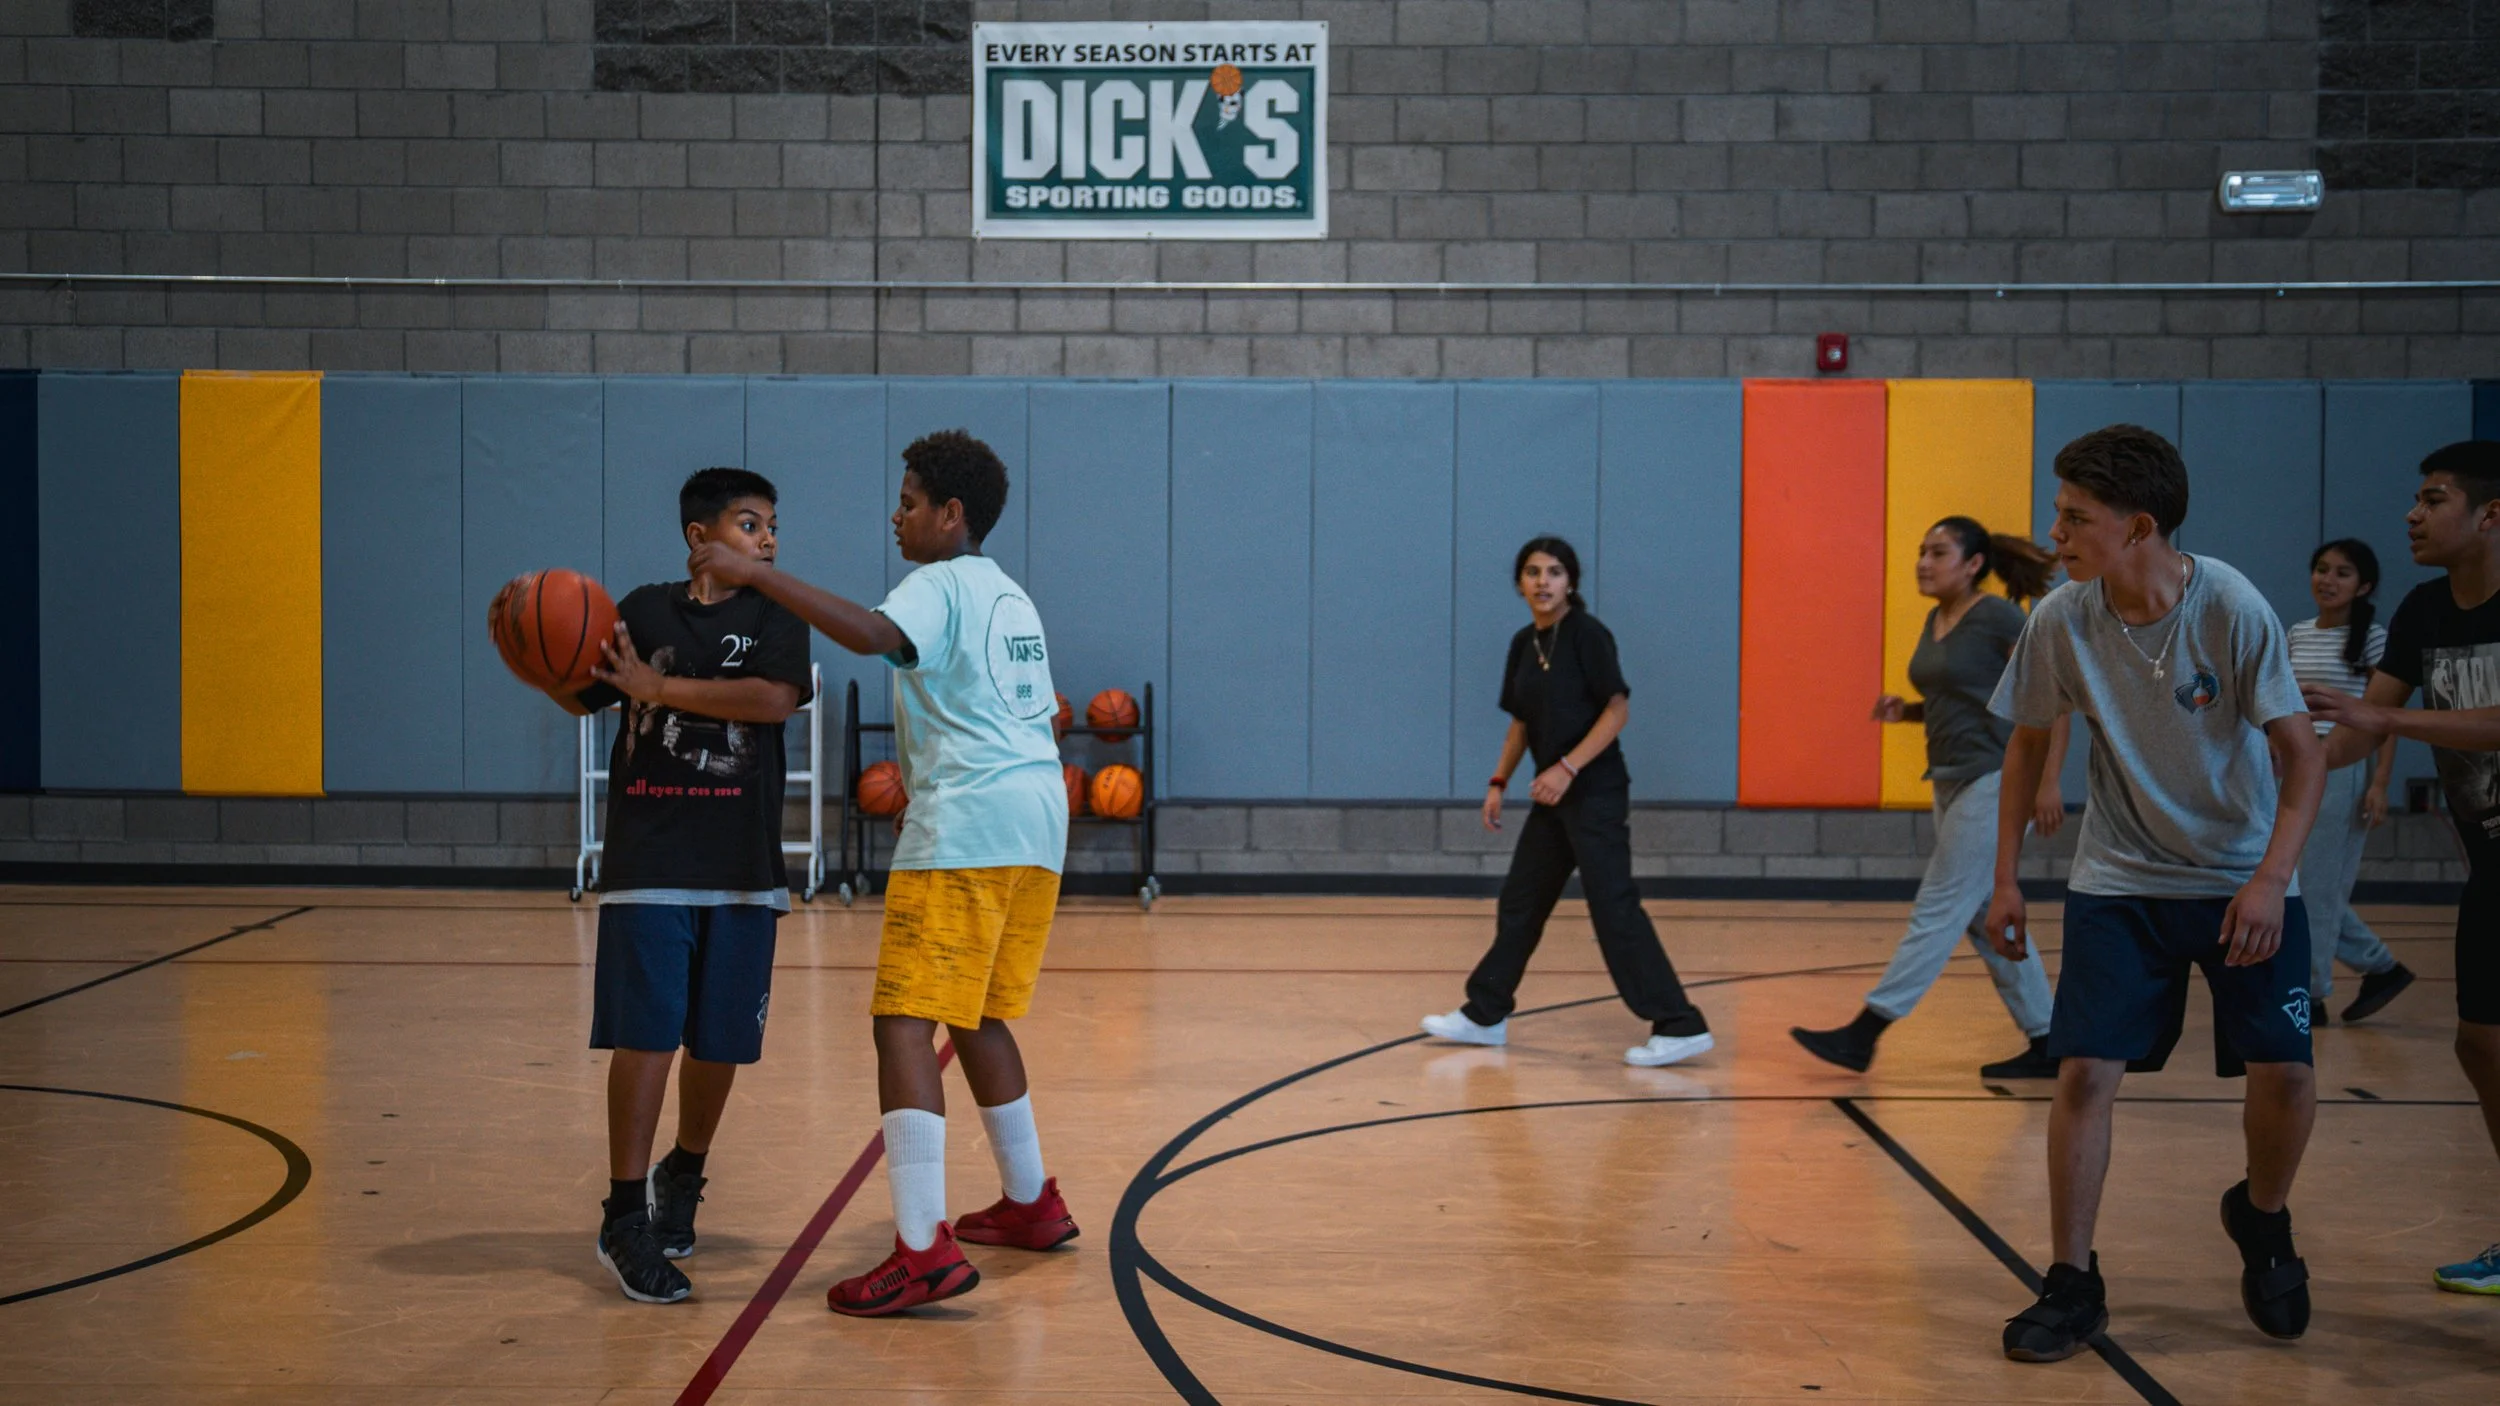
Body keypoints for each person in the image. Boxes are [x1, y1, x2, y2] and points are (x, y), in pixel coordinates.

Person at [690, 430, 1078, 1317]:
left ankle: (919, 1251)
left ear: (952, 515)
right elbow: (1014, 711)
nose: (895, 516)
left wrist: (755, 576)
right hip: (1035, 824)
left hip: (971, 827)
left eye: (908, 501)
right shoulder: (1010, 595)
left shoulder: (933, 584)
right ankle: (1031, 1203)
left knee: (902, 1021)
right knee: (977, 1012)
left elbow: (873, 634)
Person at [1984, 425, 2326, 1361]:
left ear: (2139, 527)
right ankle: (2072, 1281)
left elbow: (2303, 760)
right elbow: (2024, 742)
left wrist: (2268, 881)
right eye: (2058, 512)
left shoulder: (2233, 607)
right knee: (2085, 1070)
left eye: (2074, 516)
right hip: (2121, 879)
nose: (2054, 531)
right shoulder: (2062, 617)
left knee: (2288, 1073)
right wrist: (2006, 876)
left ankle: (2261, 1220)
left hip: (2239, 881)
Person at [566, 467, 812, 1304]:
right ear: (698, 537)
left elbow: (774, 700)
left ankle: (686, 1172)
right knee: (647, 1038)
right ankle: (624, 1217)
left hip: (743, 867)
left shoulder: (777, 613)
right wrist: (537, 644)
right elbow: (581, 692)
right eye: (751, 524)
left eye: (773, 525)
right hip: (651, 861)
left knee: (720, 1045)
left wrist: (659, 689)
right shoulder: (640, 609)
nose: (769, 538)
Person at [2305, 440, 2500, 1297]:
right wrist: (2291, 758)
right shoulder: (2424, 612)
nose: (2412, 515)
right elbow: (2360, 727)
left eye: (2433, 499)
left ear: (2491, 515)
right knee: (2479, 1043)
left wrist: (2390, 727)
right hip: (2489, 863)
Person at [1790, 517, 2069, 1080]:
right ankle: (2048, 1038)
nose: (1923, 561)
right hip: (1948, 777)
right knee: (1977, 916)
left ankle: (1865, 1032)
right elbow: (1966, 697)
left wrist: (2047, 782)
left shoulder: (1998, 616)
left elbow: (2052, 697)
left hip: (1996, 778)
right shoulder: (1935, 618)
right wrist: (1909, 711)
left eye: (1937, 552)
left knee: (1939, 904)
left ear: (1973, 565)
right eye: (1921, 551)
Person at [1418, 536, 1713, 1068]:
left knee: (1612, 905)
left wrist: (1568, 767)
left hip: (1594, 792)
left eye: (1554, 572)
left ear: (1571, 582)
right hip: (1553, 799)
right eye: (1532, 572)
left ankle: (1679, 1023)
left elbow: (1616, 711)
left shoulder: (1588, 636)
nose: (1543, 582)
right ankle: (1485, 1014)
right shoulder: (1523, 644)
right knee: (1522, 900)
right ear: (1519, 583)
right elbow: (1521, 722)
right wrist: (1497, 781)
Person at [2286, 539, 2414, 1023]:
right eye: (2322, 569)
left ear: (2364, 586)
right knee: (2294, 885)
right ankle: (2381, 967)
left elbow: (2384, 719)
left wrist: (2380, 782)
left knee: (2316, 888)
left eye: (2343, 573)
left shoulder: (2375, 639)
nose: (2328, 580)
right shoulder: (2296, 634)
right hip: (2296, 765)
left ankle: (2311, 994)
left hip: (2343, 768)